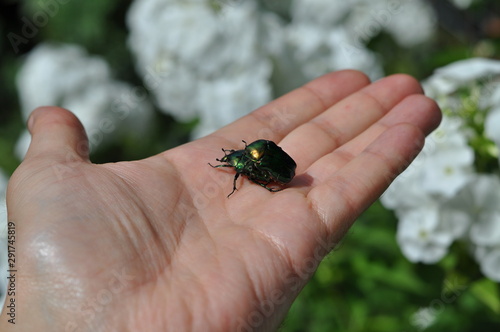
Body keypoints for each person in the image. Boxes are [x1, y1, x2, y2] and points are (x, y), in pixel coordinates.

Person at [0, 70, 441, 331]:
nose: (229, 165)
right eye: (230, 162)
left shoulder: (249, 162)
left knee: (261, 170)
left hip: (280, 167)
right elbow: (254, 163)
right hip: (278, 164)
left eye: (231, 162)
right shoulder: (248, 155)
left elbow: (261, 169)